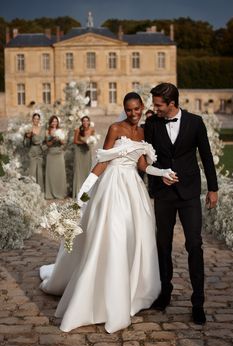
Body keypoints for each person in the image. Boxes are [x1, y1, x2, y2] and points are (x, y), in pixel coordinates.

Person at [39, 92, 175, 333]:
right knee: (112, 237)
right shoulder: (115, 128)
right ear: (125, 109)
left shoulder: (144, 132)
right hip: (113, 188)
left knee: (136, 239)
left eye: (137, 109)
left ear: (142, 107)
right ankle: (101, 297)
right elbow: (102, 162)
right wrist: (82, 194)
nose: (134, 113)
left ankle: (133, 292)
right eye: (129, 109)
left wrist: (163, 172)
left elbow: (142, 165)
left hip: (134, 190)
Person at [144, 83, 218, 325]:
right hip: (163, 195)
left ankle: (198, 302)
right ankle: (165, 294)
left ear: (172, 104)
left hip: (189, 194)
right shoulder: (153, 124)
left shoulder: (195, 122)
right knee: (162, 245)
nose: (154, 108)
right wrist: (156, 179)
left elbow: (205, 155)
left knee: (194, 245)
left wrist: (213, 189)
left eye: (158, 105)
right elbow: (147, 157)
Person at [45, 115, 67, 199]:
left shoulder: (60, 130)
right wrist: (53, 140)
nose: (54, 123)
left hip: (59, 154)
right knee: (51, 174)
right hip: (51, 154)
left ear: (58, 122)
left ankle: (60, 192)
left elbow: (64, 143)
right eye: (53, 121)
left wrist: (60, 140)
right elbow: (47, 144)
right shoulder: (47, 131)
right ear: (50, 122)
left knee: (59, 174)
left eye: (56, 121)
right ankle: (50, 193)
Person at [72, 116, 95, 199]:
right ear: (82, 122)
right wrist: (83, 142)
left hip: (87, 152)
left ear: (89, 122)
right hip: (79, 152)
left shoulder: (92, 130)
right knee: (79, 171)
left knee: (87, 170)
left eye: (87, 121)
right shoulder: (78, 130)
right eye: (84, 121)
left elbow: (93, 140)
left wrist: (91, 142)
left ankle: (86, 191)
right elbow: (75, 141)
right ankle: (78, 191)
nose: (85, 122)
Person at [24, 113, 45, 191]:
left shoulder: (42, 129)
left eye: (37, 119)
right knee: (32, 172)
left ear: (39, 120)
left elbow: (43, 140)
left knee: (39, 172)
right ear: (32, 119)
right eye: (34, 118)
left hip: (40, 152)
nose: (36, 120)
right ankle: (31, 191)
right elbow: (26, 143)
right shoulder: (29, 129)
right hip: (32, 151)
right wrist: (27, 137)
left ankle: (40, 191)